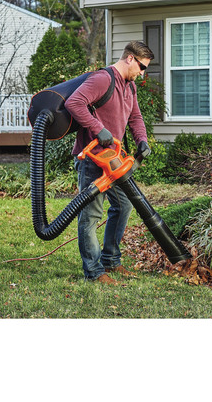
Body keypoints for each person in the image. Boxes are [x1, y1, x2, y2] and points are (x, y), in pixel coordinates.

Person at [65, 41, 153, 286]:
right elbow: (74, 103)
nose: (142, 73)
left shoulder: (130, 87)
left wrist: (142, 141)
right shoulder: (103, 79)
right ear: (130, 59)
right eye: (142, 67)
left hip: (114, 160)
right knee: (91, 215)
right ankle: (93, 271)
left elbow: (135, 117)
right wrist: (97, 128)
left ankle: (111, 260)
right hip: (93, 158)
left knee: (124, 205)